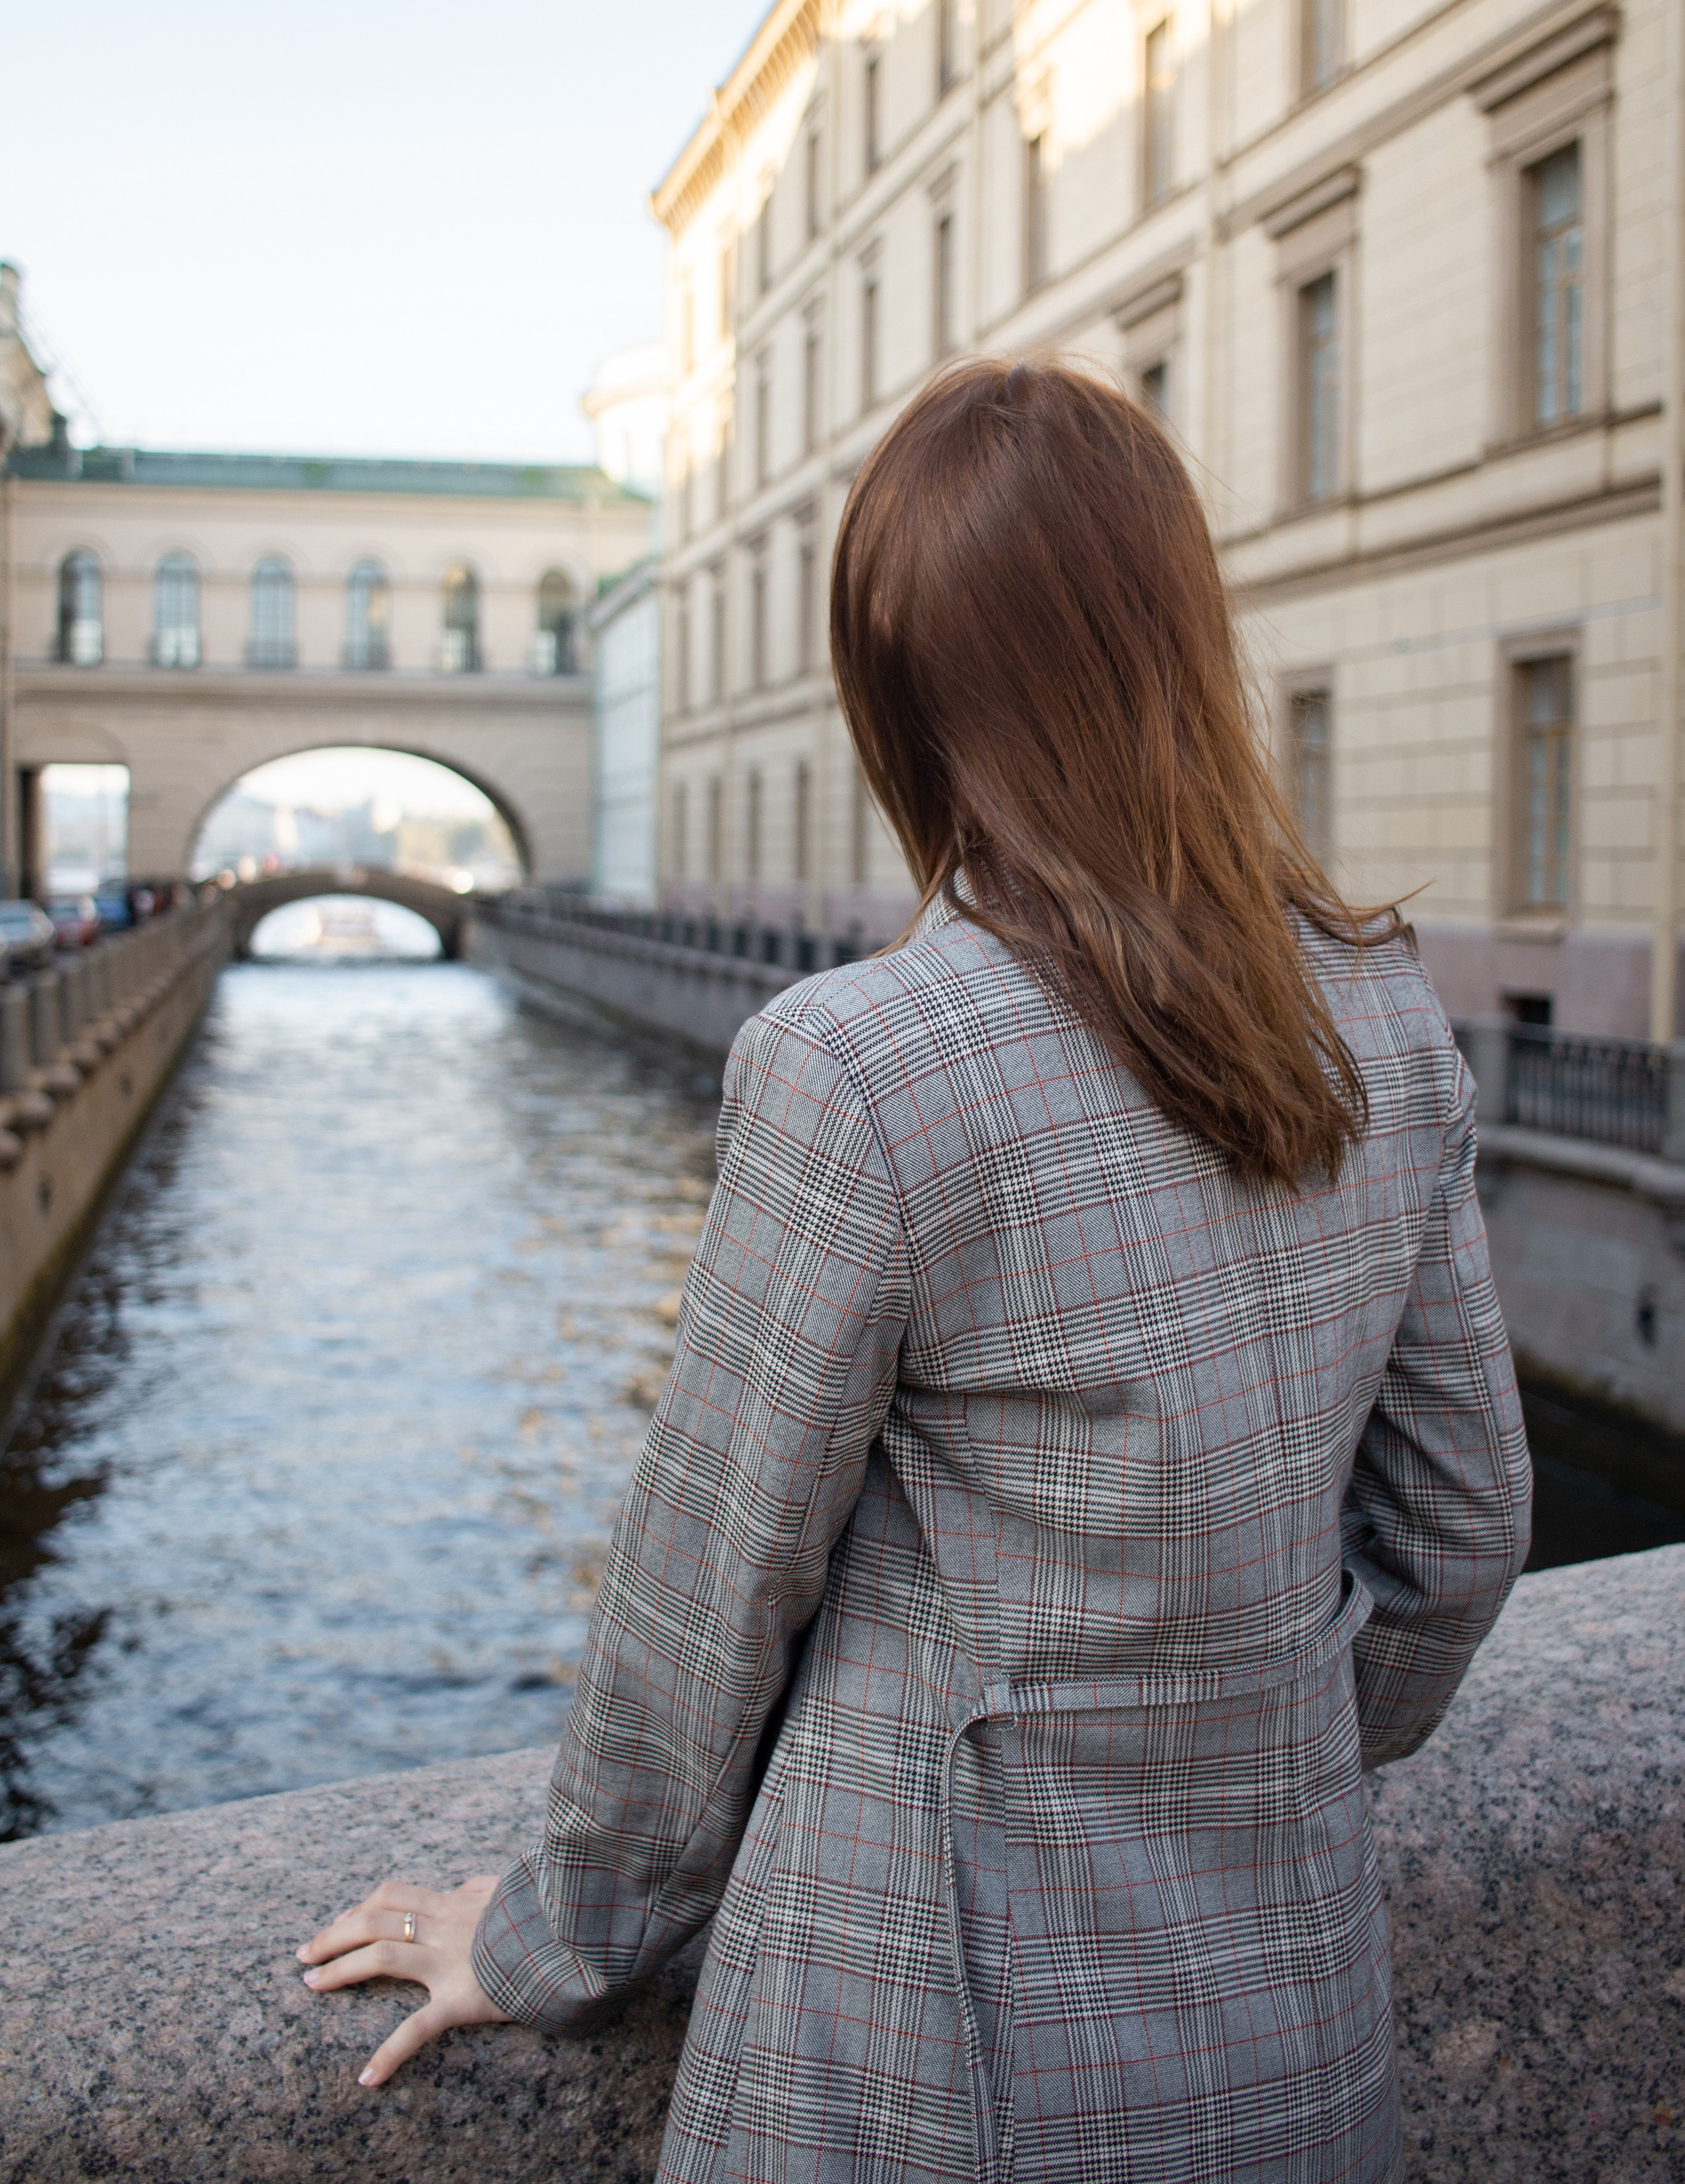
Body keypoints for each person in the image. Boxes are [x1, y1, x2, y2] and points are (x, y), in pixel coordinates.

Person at [300, 360, 1531, 2183]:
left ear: (902, 690)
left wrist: (551, 1932)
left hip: (929, 2058)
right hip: (1296, 2040)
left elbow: (706, 1586)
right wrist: (1243, 1766)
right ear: (1184, 638)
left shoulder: (866, 1062)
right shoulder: (1383, 1020)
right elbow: (1460, 1536)